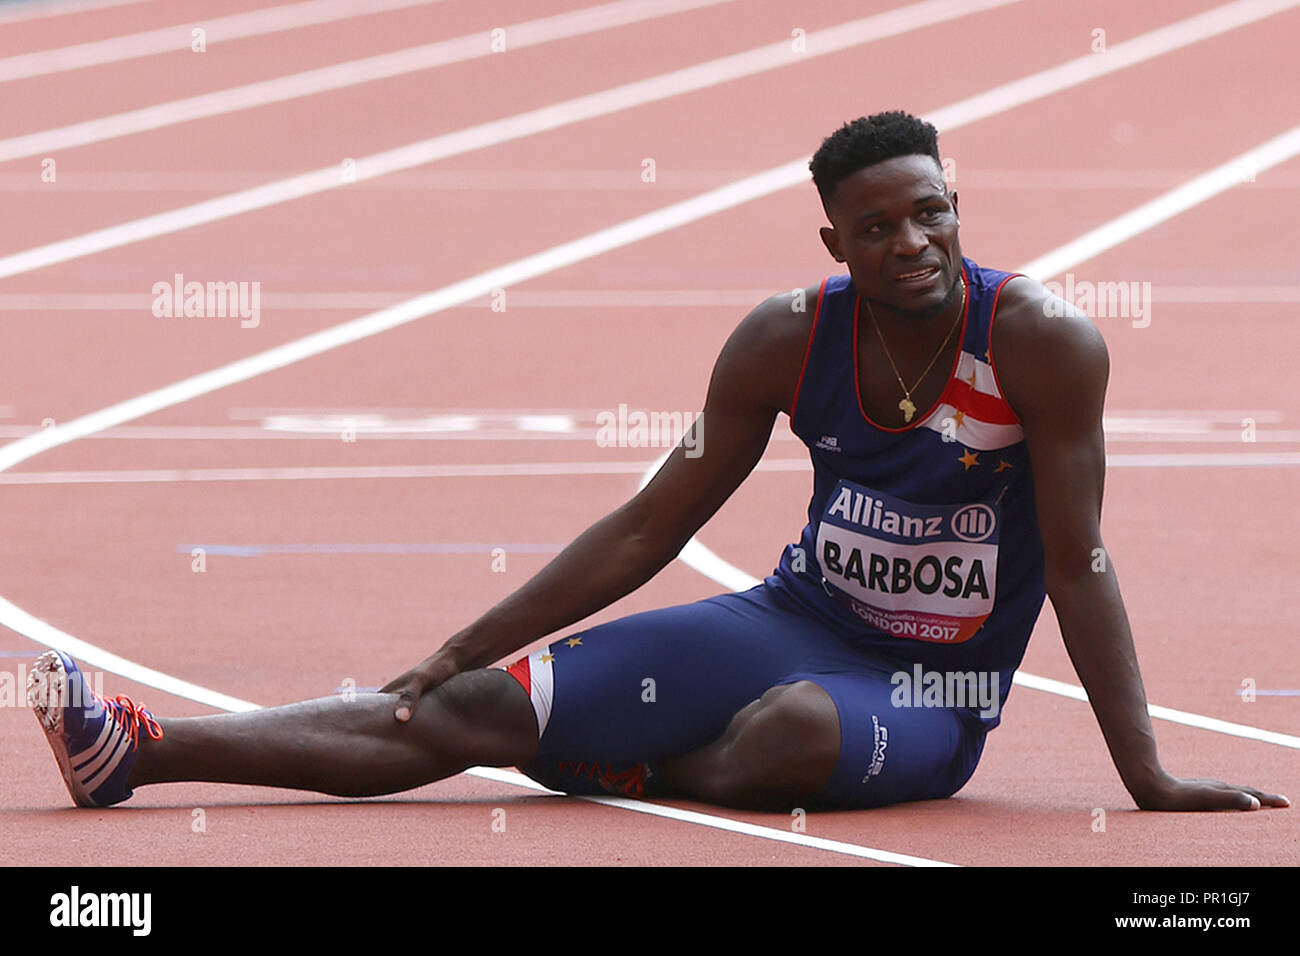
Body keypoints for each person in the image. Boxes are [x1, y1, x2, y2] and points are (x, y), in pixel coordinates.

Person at [29, 111, 1287, 815]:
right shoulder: (781, 342)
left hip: (930, 691)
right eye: (878, 226)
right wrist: (466, 644)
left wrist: (1149, 772)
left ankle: (620, 759)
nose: (912, 242)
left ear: (957, 203)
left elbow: (1080, 557)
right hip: (796, 617)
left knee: (792, 732)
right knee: (469, 709)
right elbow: (648, 524)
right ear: (833, 240)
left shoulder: (1040, 342)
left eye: (932, 212)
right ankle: (142, 749)